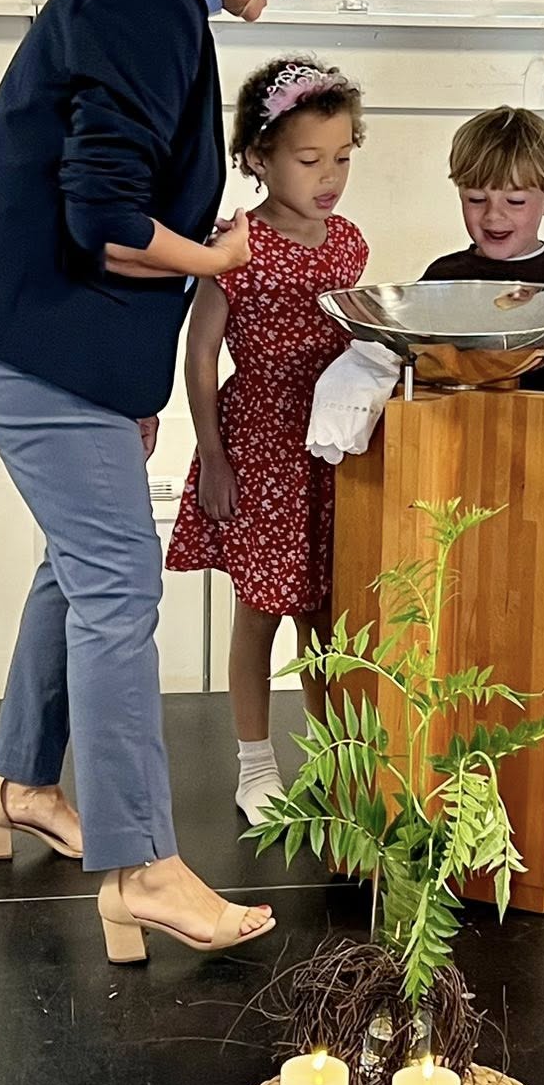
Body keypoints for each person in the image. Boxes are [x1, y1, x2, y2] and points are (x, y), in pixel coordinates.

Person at [0, 0, 355, 960]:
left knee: (82, 560)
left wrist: (128, 385)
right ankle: (142, 865)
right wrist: (219, 257)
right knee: (118, 583)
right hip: (24, 326)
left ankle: (19, 784)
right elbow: (104, 220)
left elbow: (103, 207)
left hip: (46, 328)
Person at [167, 59, 368, 821]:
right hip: (259, 444)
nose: (330, 177)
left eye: (342, 157)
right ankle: (255, 767)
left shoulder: (349, 244)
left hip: (329, 448)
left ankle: (334, 757)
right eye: (310, 160)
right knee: (259, 610)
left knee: (324, 615)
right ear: (258, 157)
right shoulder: (236, 246)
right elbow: (200, 354)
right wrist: (213, 456)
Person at [419, 107, 544, 823]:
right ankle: (462, 777)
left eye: (514, 200)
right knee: (468, 633)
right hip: (462, 491)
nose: (493, 216)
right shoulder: (442, 281)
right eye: (476, 198)